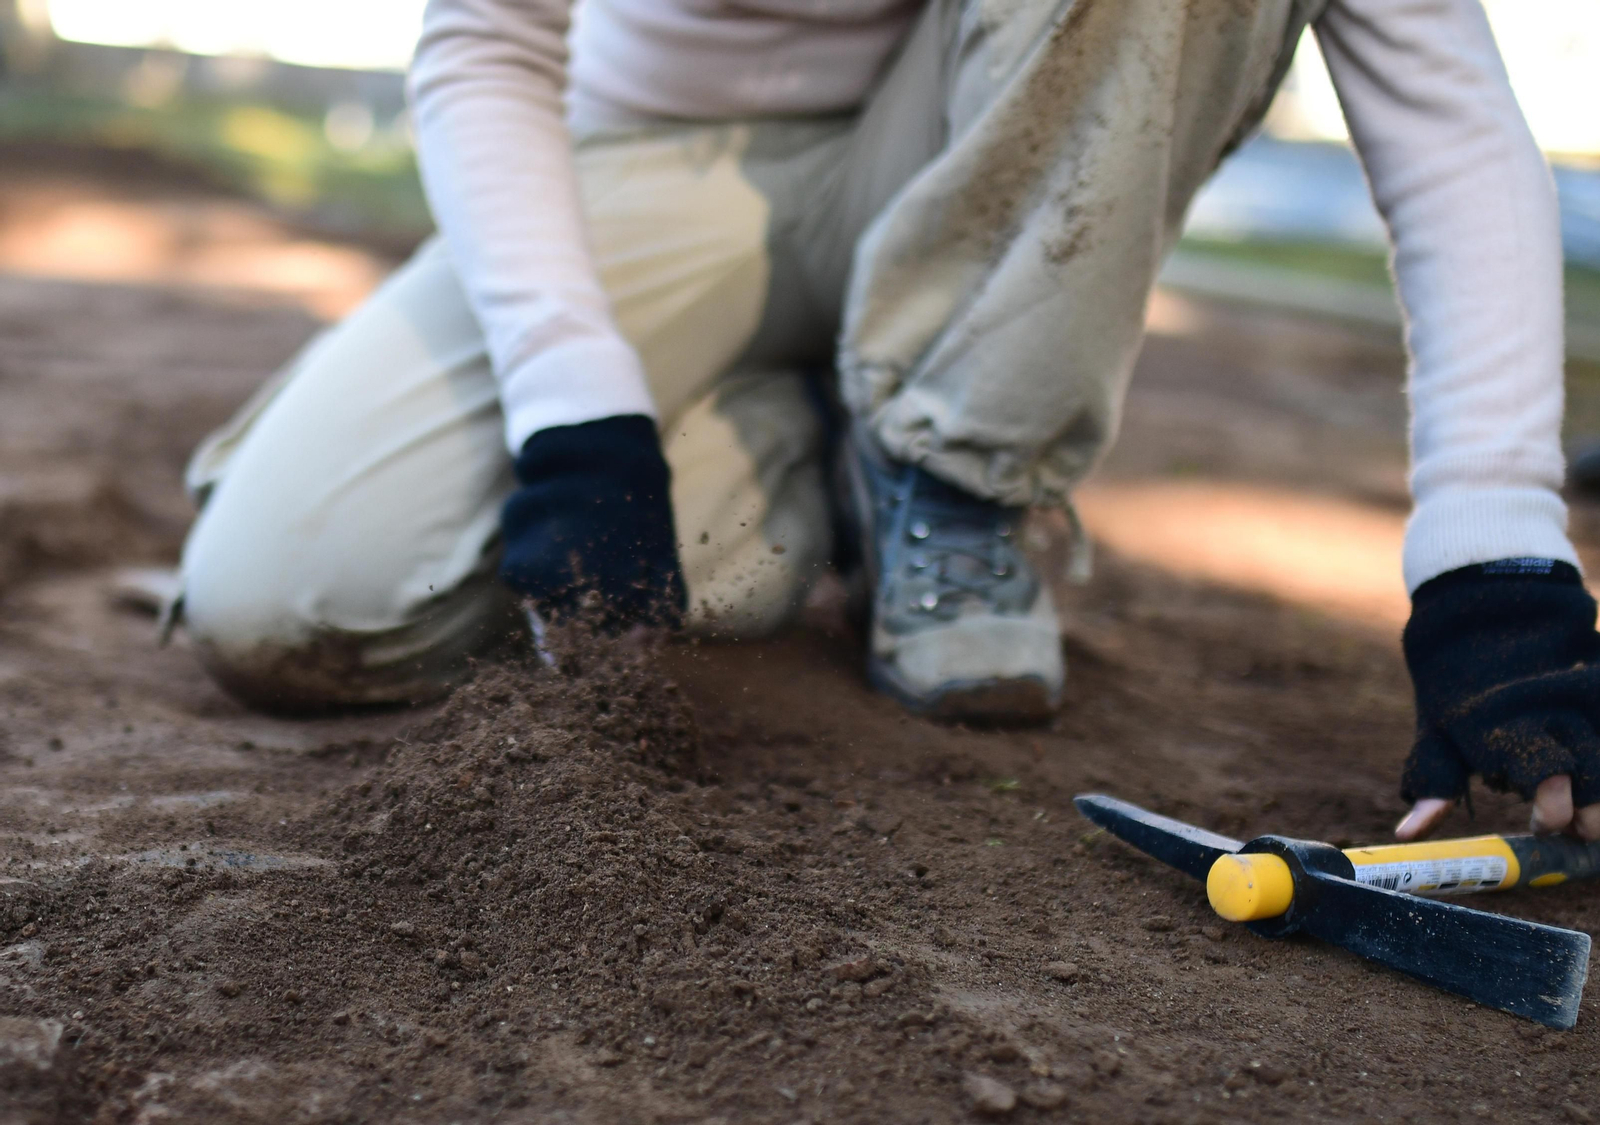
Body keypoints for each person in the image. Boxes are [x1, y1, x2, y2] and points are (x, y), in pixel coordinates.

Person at [174, 0, 1598, 840]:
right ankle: (821, 435)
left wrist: (1494, 560)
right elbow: (485, 42)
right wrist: (578, 413)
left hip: (973, 174)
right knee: (293, 604)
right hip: (651, 156)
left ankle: (942, 462)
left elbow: (1444, 100)